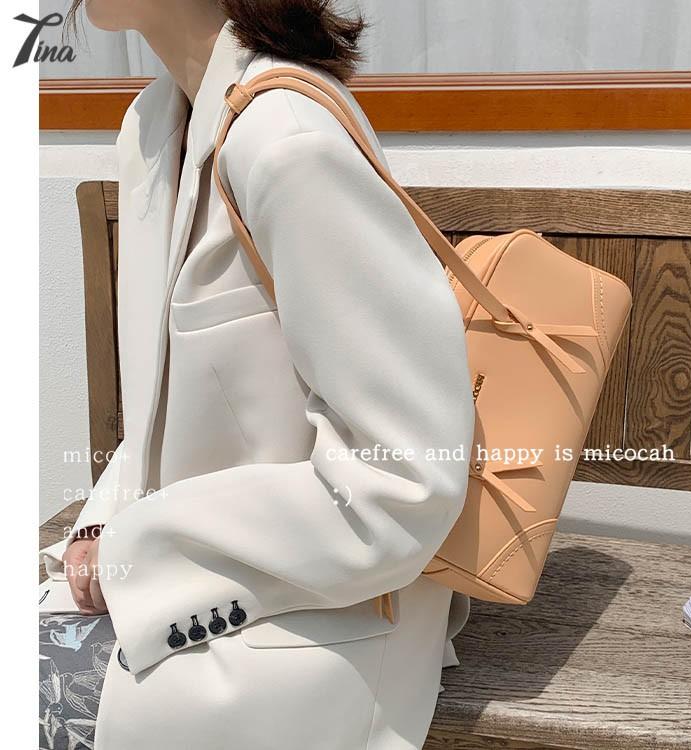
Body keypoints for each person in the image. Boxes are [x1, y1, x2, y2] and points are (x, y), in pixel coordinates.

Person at [39, 1, 474, 748]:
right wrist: (104, 522)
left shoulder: (288, 143)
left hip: (317, 619)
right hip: (201, 588)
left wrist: (137, 549)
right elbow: (158, 418)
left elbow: (405, 480)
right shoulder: (154, 126)